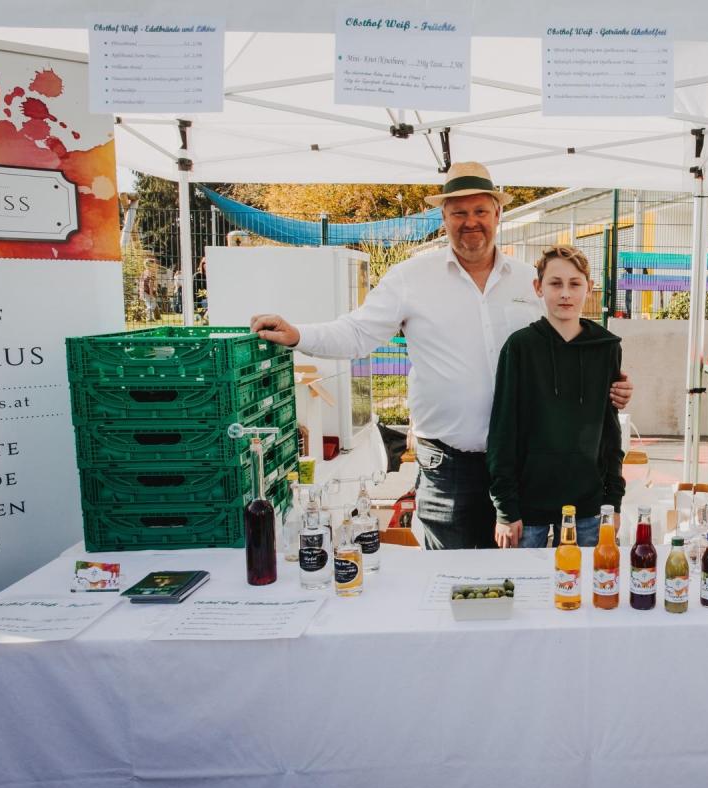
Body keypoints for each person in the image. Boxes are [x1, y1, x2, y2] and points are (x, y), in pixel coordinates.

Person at [250, 163, 632, 549]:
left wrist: (609, 387)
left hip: (524, 466)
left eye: (480, 211)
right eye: (459, 212)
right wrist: (299, 335)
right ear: (443, 217)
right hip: (448, 469)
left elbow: (565, 348)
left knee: (520, 577)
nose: (471, 222)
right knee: (450, 575)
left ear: (498, 214)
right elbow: (358, 333)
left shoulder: (529, 280)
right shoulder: (410, 278)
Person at [487, 245, 624, 549]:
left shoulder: (606, 347)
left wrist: (613, 501)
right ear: (538, 287)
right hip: (528, 506)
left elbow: (610, 430)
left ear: (589, 288)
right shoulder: (520, 347)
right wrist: (505, 508)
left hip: (588, 506)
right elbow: (503, 430)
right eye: (555, 283)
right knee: (523, 580)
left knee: (585, 579)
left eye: (574, 284)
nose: (565, 294)